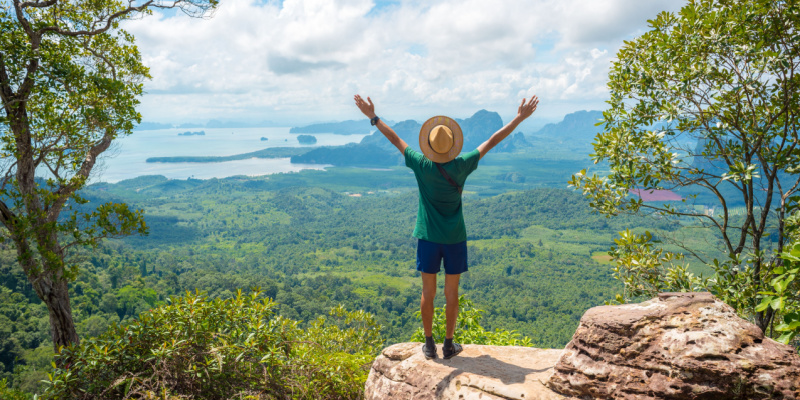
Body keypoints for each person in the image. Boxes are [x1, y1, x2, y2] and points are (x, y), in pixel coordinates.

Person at [354, 94, 539, 359]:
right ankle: (449, 344)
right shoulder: (462, 165)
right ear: (452, 144)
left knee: (427, 292)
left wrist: (373, 116)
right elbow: (493, 141)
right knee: (452, 292)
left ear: (429, 144)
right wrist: (519, 119)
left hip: (427, 238)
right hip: (454, 239)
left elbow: (395, 139)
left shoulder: (422, 164)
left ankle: (429, 345)